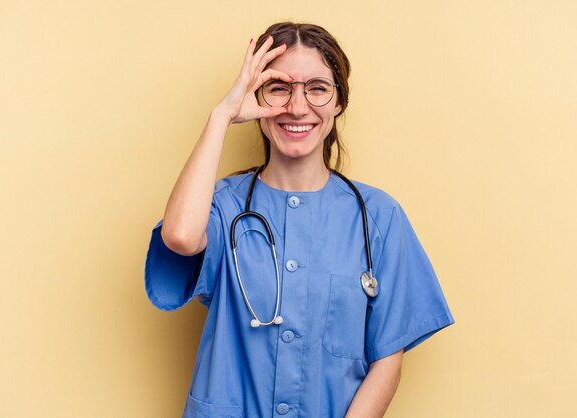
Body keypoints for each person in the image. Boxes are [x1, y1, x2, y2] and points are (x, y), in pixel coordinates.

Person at [145, 22, 454, 418]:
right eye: (279, 88)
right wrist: (223, 114)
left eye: (317, 88)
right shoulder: (223, 206)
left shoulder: (378, 217)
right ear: (257, 98)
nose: (297, 107)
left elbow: (387, 359)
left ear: (340, 101)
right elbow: (182, 237)